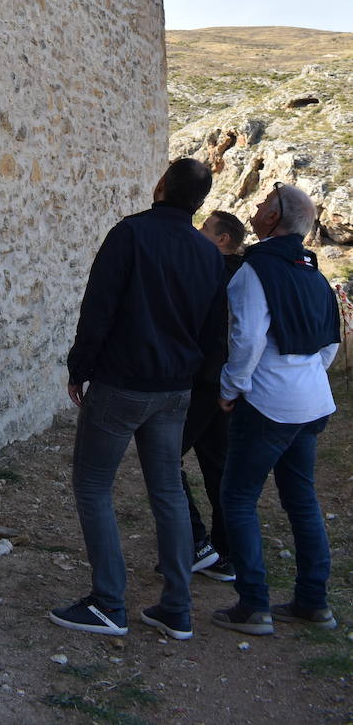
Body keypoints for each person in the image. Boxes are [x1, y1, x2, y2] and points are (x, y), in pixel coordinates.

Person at [50, 158, 224, 641]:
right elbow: (213, 331)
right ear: (201, 201)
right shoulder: (208, 253)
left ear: (161, 186)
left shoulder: (129, 235)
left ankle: (108, 603)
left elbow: (98, 305)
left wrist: (79, 367)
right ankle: (177, 608)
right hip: (175, 389)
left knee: (92, 486)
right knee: (167, 490)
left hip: (123, 384)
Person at [213, 182, 341, 634]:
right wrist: (306, 376)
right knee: (302, 500)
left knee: (239, 499)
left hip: (267, 403)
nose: (258, 206)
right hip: (310, 402)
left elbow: (246, 339)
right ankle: (312, 601)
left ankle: (254, 606)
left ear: (274, 219)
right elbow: (330, 344)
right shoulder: (315, 274)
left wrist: (231, 387)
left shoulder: (255, 270)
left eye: (266, 202)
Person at [179, 209, 246, 582]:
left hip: (206, 381)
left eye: (205, 228)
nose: (198, 231)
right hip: (222, 384)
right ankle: (227, 553)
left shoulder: (216, 273)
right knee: (217, 464)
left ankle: (195, 543)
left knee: (165, 456)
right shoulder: (243, 274)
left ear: (223, 240)